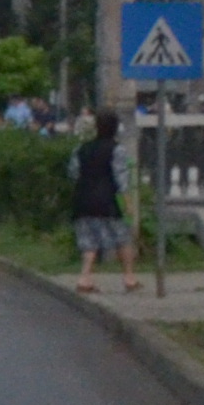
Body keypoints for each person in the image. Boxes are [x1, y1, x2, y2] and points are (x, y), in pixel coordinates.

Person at [70, 107, 134, 291]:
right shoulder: (117, 150)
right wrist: (128, 203)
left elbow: (73, 173)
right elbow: (121, 178)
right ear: (115, 128)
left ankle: (84, 279)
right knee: (122, 238)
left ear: (96, 127)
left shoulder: (81, 149)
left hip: (82, 198)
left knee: (88, 242)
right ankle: (129, 278)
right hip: (107, 200)